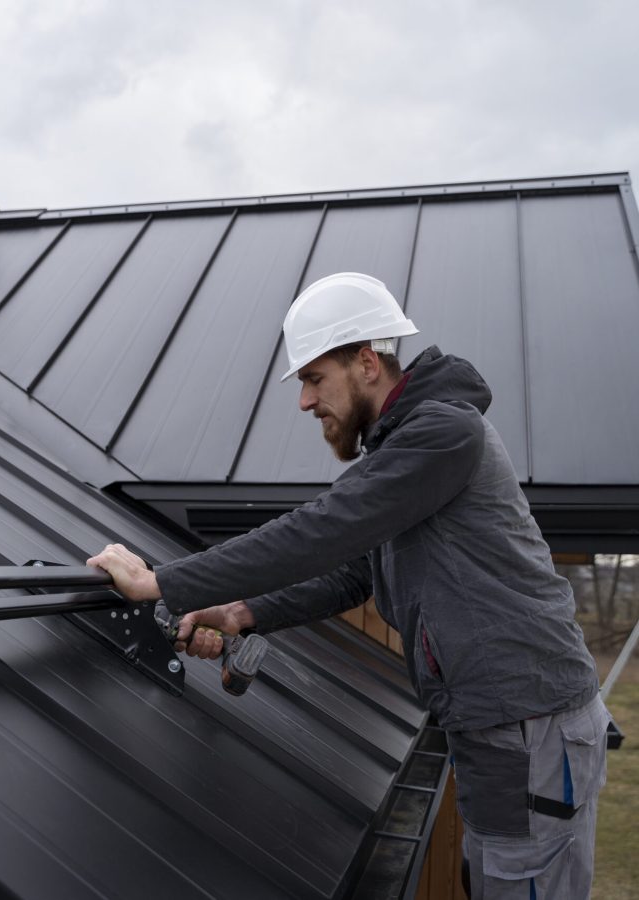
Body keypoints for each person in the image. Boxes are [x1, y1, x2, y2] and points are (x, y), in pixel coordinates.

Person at [88, 272, 609, 900]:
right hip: (501, 725)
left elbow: (325, 530)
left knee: (520, 883)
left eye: (313, 379)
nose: (305, 402)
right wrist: (241, 612)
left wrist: (158, 582)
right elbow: (355, 570)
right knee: (495, 878)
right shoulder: (406, 449)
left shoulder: (444, 434)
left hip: (532, 726)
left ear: (367, 362)